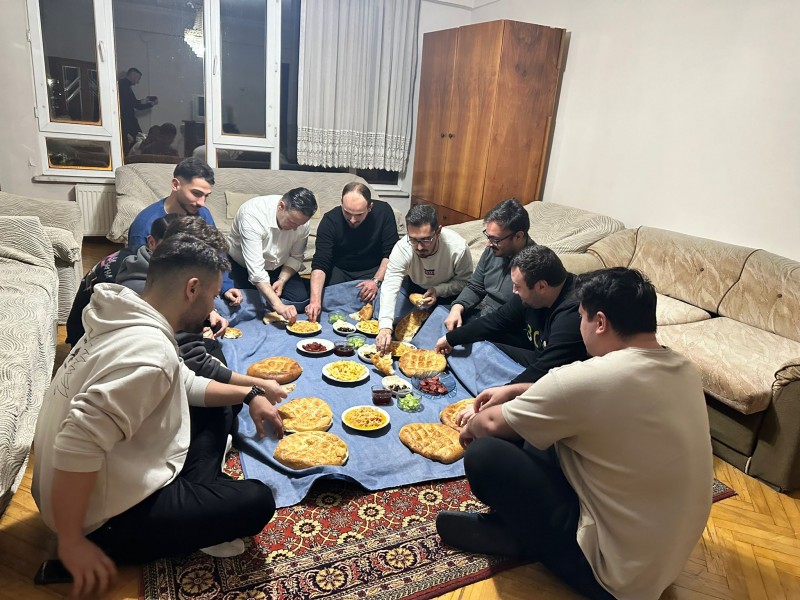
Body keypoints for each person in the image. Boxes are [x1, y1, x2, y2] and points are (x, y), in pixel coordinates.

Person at [32, 231, 287, 598]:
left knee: (220, 404)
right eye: (213, 296)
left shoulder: (126, 313)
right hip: (99, 519)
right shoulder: (148, 355)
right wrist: (72, 542)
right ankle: (102, 546)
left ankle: (198, 499)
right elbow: (77, 443)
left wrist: (251, 394)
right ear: (192, 288)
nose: (213, 306)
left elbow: (187, 382)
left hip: (103, 478)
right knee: (257, 501)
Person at [436, 268, 714, 600]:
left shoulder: (589, 378)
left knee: (486, 454)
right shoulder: (683, 368)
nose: (579, 325)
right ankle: (522, 532)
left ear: (600, 322)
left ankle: (520, 538)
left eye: (581, 317)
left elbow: (490, 424)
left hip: (613, 579)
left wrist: (470, 427)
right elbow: (577, 400)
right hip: (661, 563)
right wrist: (517, 391)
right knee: (545, 432)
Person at [435, 244, 587, 392]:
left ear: (541, 287)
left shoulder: (573, 315)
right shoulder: (530, 295)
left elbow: (545, 367)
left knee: (490, 358)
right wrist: (451, 338)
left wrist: (502, 395)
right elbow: (497, 320)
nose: (514, 291)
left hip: (557, 372)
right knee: (481, 345)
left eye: (518, 286)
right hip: (537, 353)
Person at [126, 157, 242, 306]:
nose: (201, 203)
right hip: (166, 294)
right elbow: (139, 273)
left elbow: (217, 253)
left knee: (242, 305)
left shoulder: (203, 214)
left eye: (206, 196)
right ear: (176, 185)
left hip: (200, 284)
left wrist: (226, 287)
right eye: (196, 193)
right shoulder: (145, 224)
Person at [375, 204, 473, 354]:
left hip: (447, 293)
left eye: (426, 240)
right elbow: (390, 284)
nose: (419, 247)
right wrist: (385, 327)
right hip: (413, 287)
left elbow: (465, 282)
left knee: (436, 337)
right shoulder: (402, 247)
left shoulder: (457, 247)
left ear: (438, 231)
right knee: (385, 315)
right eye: (413, 240)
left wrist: (438, 290)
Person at [305, 182, 399, 322]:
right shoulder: (330, 220)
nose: (353, 220)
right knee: (322, 296)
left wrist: (376, 281)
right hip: (340, 269)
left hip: (373, 269)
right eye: (347, 213)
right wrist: (315, 302)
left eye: (359, 214)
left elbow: (391, 253)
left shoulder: (384, 212)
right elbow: (320, 262)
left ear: (370, 207)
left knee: (392, 297)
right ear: (341, 203)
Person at [226, 188, 318, 323]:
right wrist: (279, 306)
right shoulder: (252, 214)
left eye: (300, 224)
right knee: (238, 303)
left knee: (300, 300)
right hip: (243, 266)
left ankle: (267, 297)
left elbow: (296, 257)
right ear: (281, 206)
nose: (295, 228)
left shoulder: (301, 221)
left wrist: (282, 280)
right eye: (292, 222)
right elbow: (256, 271)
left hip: (279, 266)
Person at [444, 198, 535, 332]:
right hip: (483, 317)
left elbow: (522, 315)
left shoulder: (535, 264)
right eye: (488, 236)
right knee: (437, 317)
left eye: (496, 239)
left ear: (518, 236)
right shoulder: (492, 251)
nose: (488, 244)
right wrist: (457, 308)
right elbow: (475, 286)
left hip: (506, 328)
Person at [117, 68, 158, 154]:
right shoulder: (124, 86)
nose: (138, 82)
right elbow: (135, 105)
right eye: (138, 78)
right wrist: (150, 104)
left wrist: (144, 102)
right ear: (132, 75)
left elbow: (132, 103)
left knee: (126, 141)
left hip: (123, 119)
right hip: (127, 119)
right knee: (140, 139)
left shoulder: (122, 85)